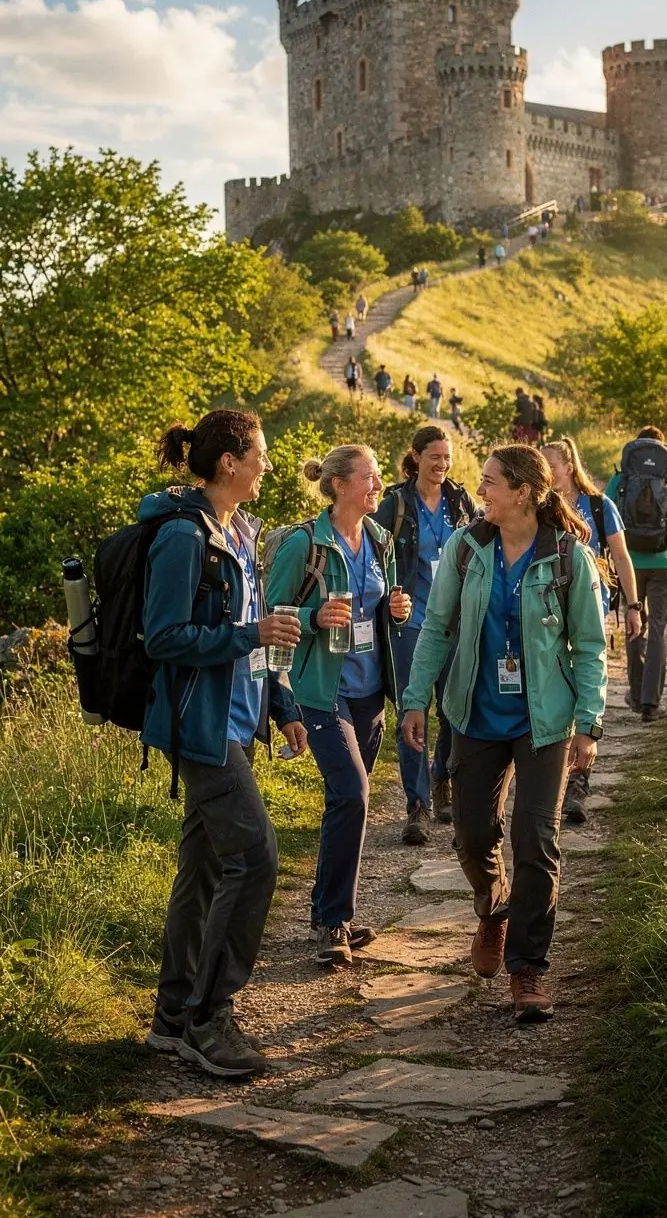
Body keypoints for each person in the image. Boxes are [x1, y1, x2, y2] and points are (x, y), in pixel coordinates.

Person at [401, 445, 607, 1022]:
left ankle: (529, 969)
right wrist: (417, 699)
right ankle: (494, 909)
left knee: (535, 841)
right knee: (470, 833)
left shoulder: (569, 557)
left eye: (489, 482)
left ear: (522, 491)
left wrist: (589, 724)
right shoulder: (466, 548)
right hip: (474, 714)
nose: (480, 490)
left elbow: (590, 647)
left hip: (545, 722)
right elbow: (437, 628)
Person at [141, 409, 308, 1078]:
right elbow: (163, 638)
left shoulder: (239, 532)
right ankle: (210, 1019)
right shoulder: (184, 538)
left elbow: (254, 638)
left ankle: (172, 1014)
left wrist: (284, 704)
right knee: (258, 858)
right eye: (259, 453)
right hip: (200, 728)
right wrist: (252, 636)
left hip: (237, 720)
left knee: (206, 866)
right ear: (229, 461)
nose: (267, 463)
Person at [265, 446, 412, 966]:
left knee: (349, 801)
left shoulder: (379, 539)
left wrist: (397, 609)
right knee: (351, 793)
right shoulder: (305, 545)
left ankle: (331, 913)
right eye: (371, 478)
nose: (379, 486)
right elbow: (271, 619)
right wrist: (312, 618)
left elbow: (383, 609)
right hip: (320, 692)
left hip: (370, 691)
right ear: (341, 485)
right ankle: (332, 922)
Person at [376, 426, 479, 841]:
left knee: (454, 710)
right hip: (410, 624)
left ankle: (442, 780)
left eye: (447, 457)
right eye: (434, 456)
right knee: (412, 712)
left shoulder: (460, 501)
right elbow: (371, 557)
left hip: (455, 623)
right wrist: (387, 600)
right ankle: (416, 805)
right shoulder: (395, 504)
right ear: (416, 457)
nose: (442, 464)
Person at [543, 436, 643, 822]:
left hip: (590, 615)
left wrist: (633, 606)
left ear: (569, 466)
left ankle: (578, 786)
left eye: (551, 465)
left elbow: (621, 556)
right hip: (548, 618)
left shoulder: (600, 507)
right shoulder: (538, 507)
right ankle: (555, 775)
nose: (547, 472)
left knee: (586, 693)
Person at [606, 426, 667, 723]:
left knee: (635, 626)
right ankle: (651, 703)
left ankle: (635, 695)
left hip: (629, 563)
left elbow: (605, 516)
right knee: (658, 629)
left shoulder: (621, 478)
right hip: (664, 562)